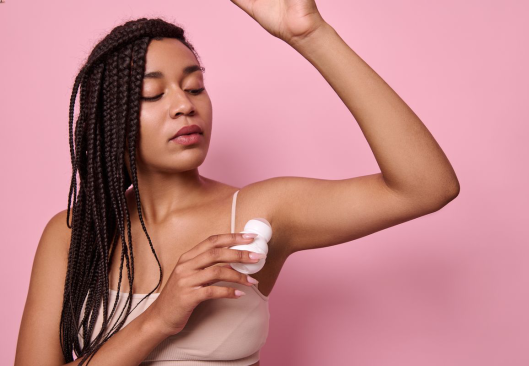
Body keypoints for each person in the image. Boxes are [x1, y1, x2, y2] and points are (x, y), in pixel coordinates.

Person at [14, 1, 460, 365]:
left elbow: (426, 186)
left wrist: (312, 36)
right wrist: (159, 319)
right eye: (153, 94)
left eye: (195, 87)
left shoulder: (257, 215)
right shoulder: (72, 234)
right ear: (109, 120)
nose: (184, 106)